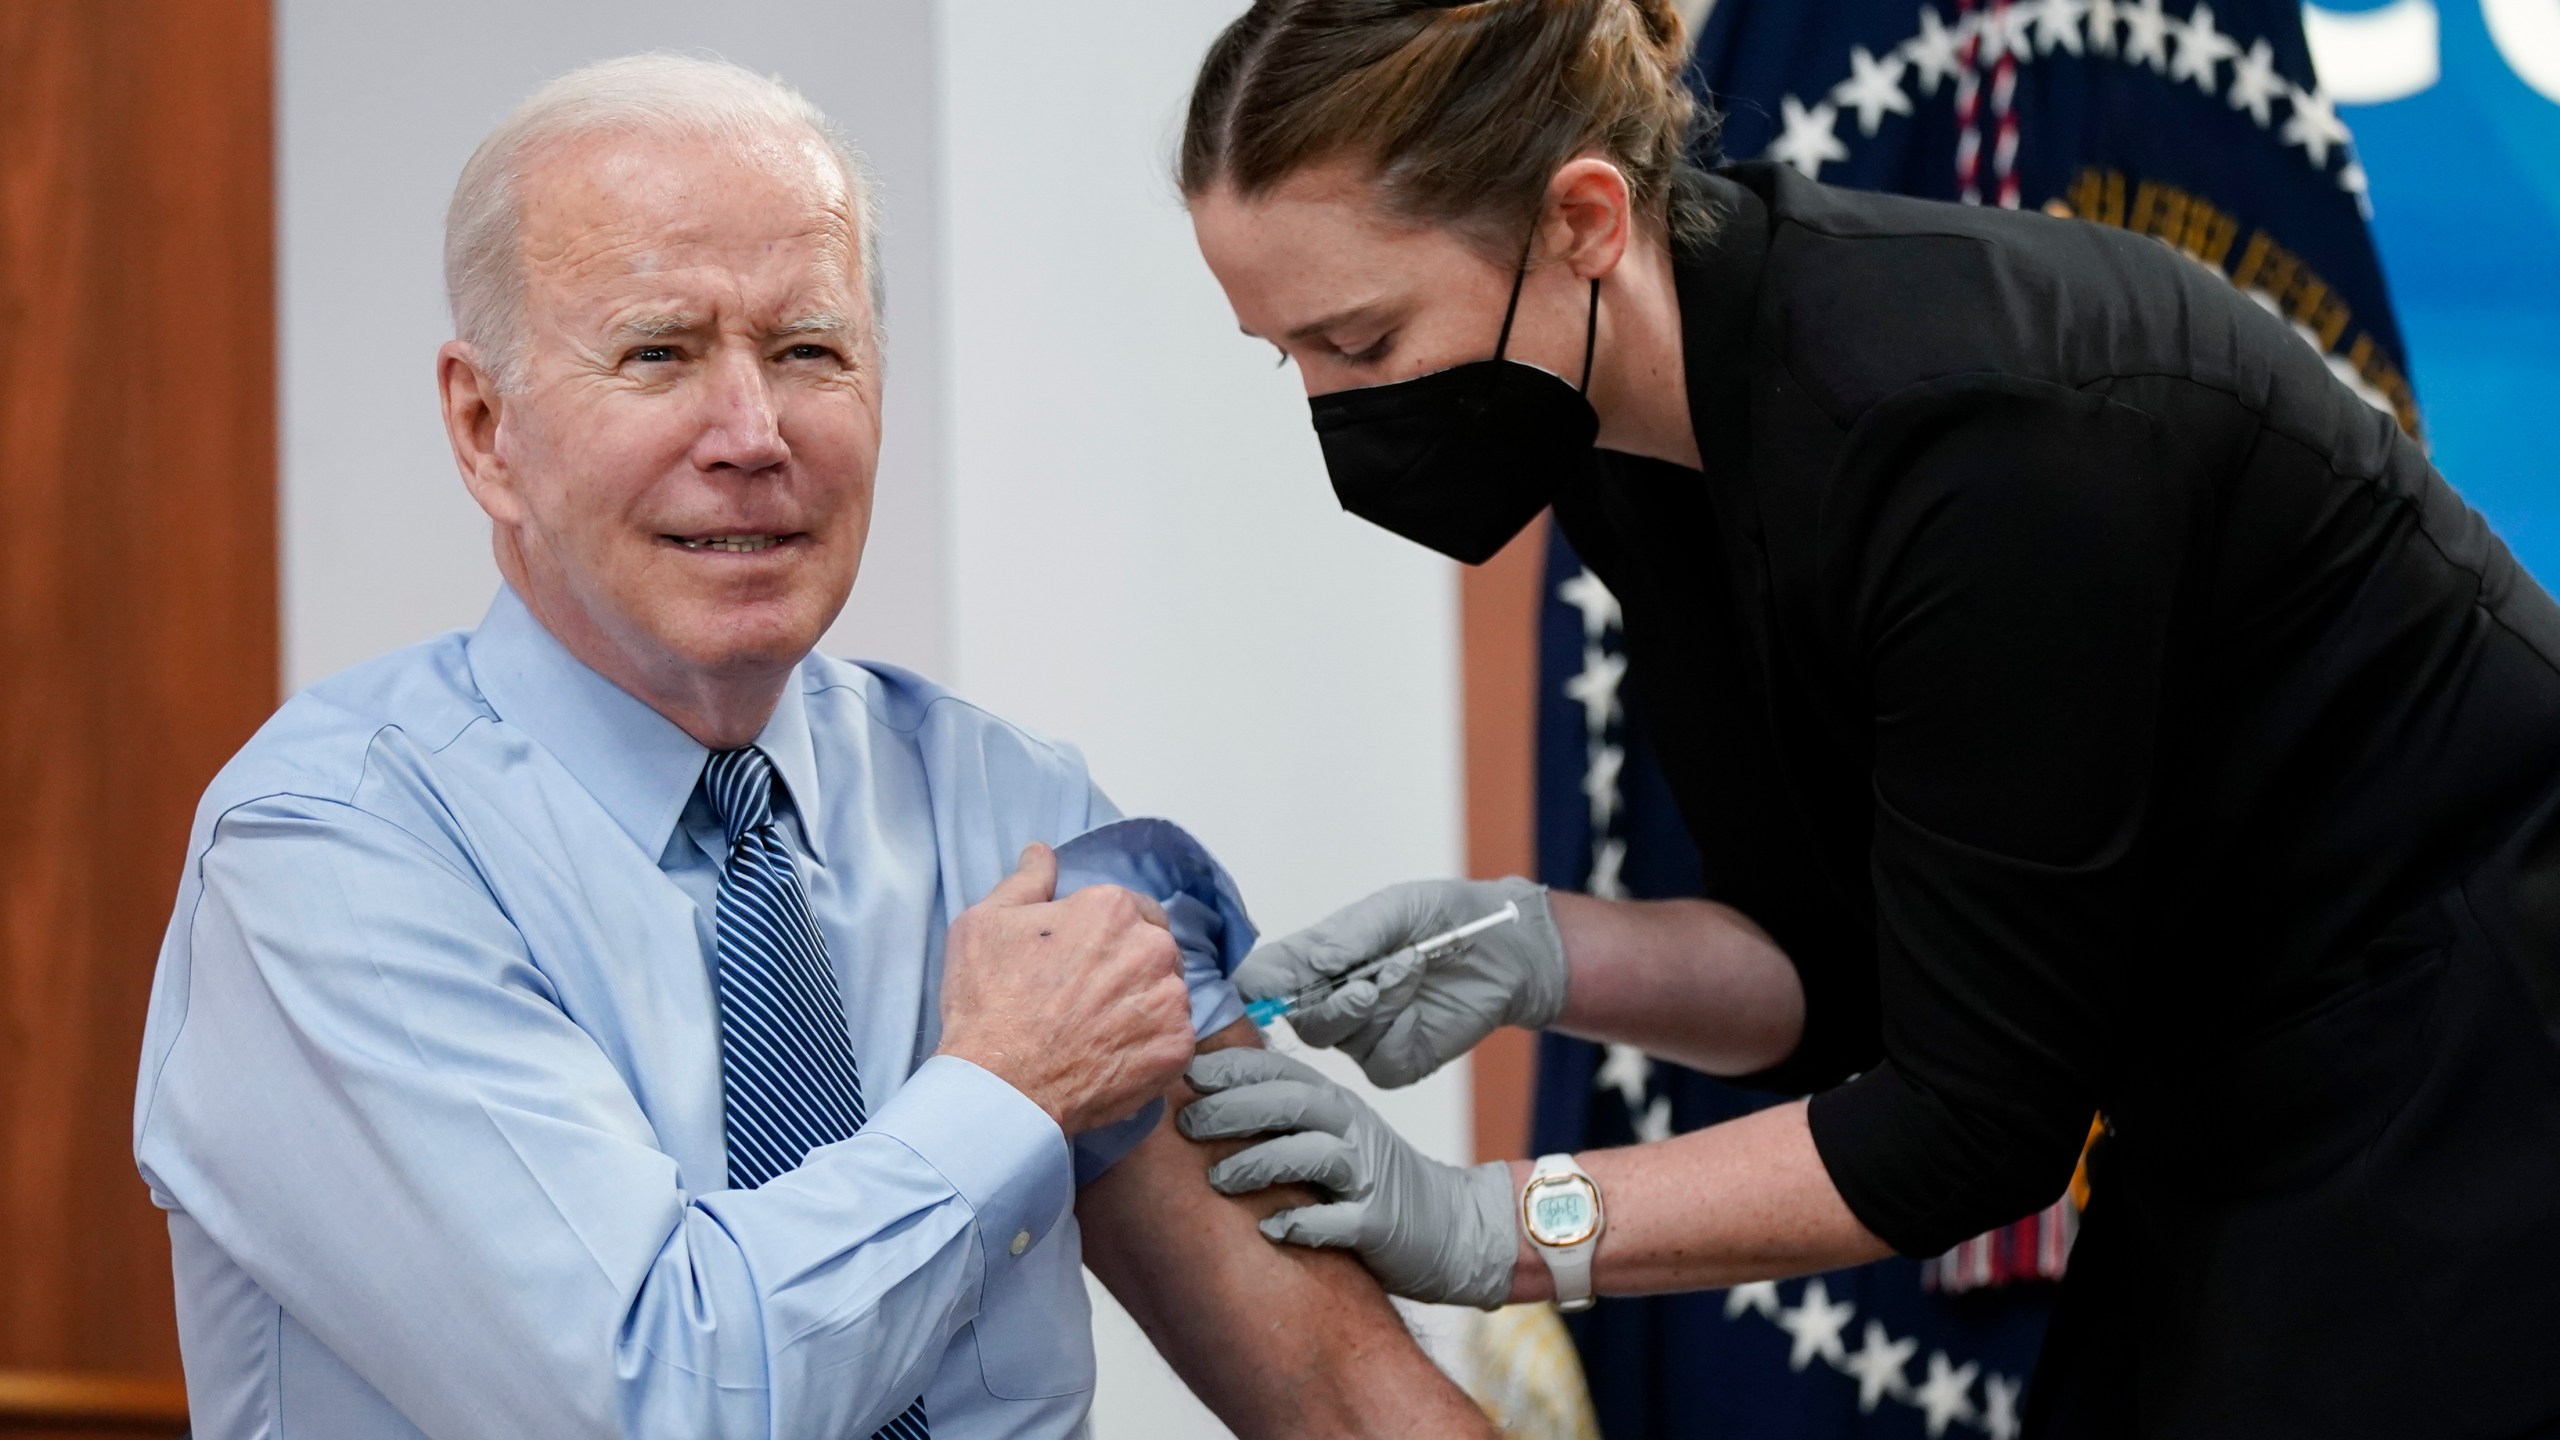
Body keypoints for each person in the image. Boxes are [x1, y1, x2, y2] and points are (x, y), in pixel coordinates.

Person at [1166, 2, 2560, 1435]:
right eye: (1293, 357)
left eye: (1363, 337)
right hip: (2236, 1081)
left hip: (2479, 1059)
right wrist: (1540, 952)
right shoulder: (1632, 436)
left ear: (1582, 218)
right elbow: (1841, 978)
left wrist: (1495, 1226)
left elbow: (1968, 1132)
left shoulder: (1967, 435)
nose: (1336, 413)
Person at [132, 54, 1492, 1440]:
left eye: (808, 350)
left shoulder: (1008, 813)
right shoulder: (332, 854)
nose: (753, 433)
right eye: (659, 351)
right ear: (486, 430)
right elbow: (655, 1397)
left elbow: (1333, 1386)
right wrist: (1004, 1096)